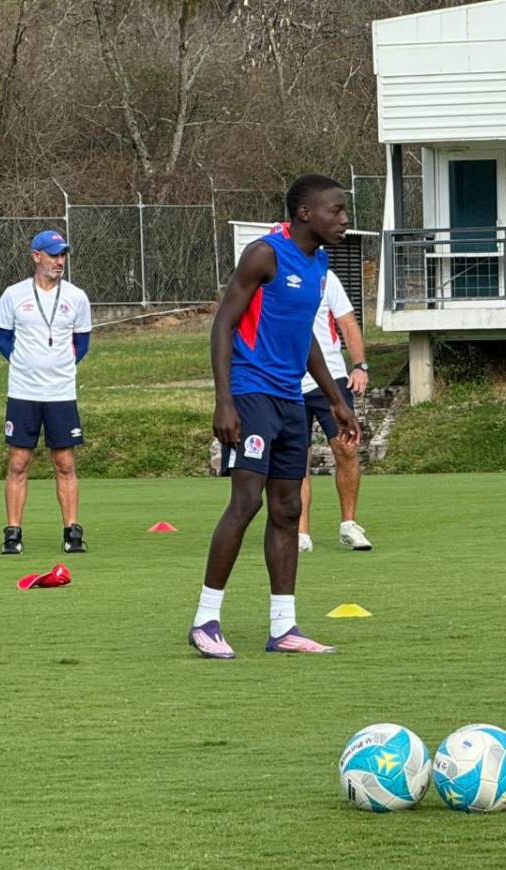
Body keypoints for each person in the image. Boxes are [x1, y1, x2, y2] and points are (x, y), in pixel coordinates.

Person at [188, 175, 361, 660]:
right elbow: (223, 323)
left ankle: (283, 627)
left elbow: (302, 335)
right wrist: (224, 399)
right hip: (251, 392)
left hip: (290, 396)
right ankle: (205, 620)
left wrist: (335, 397)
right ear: (305, 212)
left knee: (287, 509)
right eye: (337, 210)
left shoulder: (319, 262)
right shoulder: (265, 254)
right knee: (245, 503)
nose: (344, 219)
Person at [0, 229, 93, 555]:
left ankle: (72, 532)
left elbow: (82, 344)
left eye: (63, 254)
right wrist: (27, 366)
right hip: (23, 391)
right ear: (36, 256)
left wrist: (57, 367)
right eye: (53, 254)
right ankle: (13, 533)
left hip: (61, 392)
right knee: (19, 462)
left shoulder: (76, 297)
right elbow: (3, 340)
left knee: (65, 462)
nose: (59, 261)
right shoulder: (13, 295)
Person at [298, 269, 373, 552]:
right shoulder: (273, 276)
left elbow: (347, 323)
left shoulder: (325, 277)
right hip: (288, 380)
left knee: (347, 448)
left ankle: (348, 525)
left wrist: (359, 365)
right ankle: (301, 533)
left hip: (330, 378)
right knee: (296, 457)